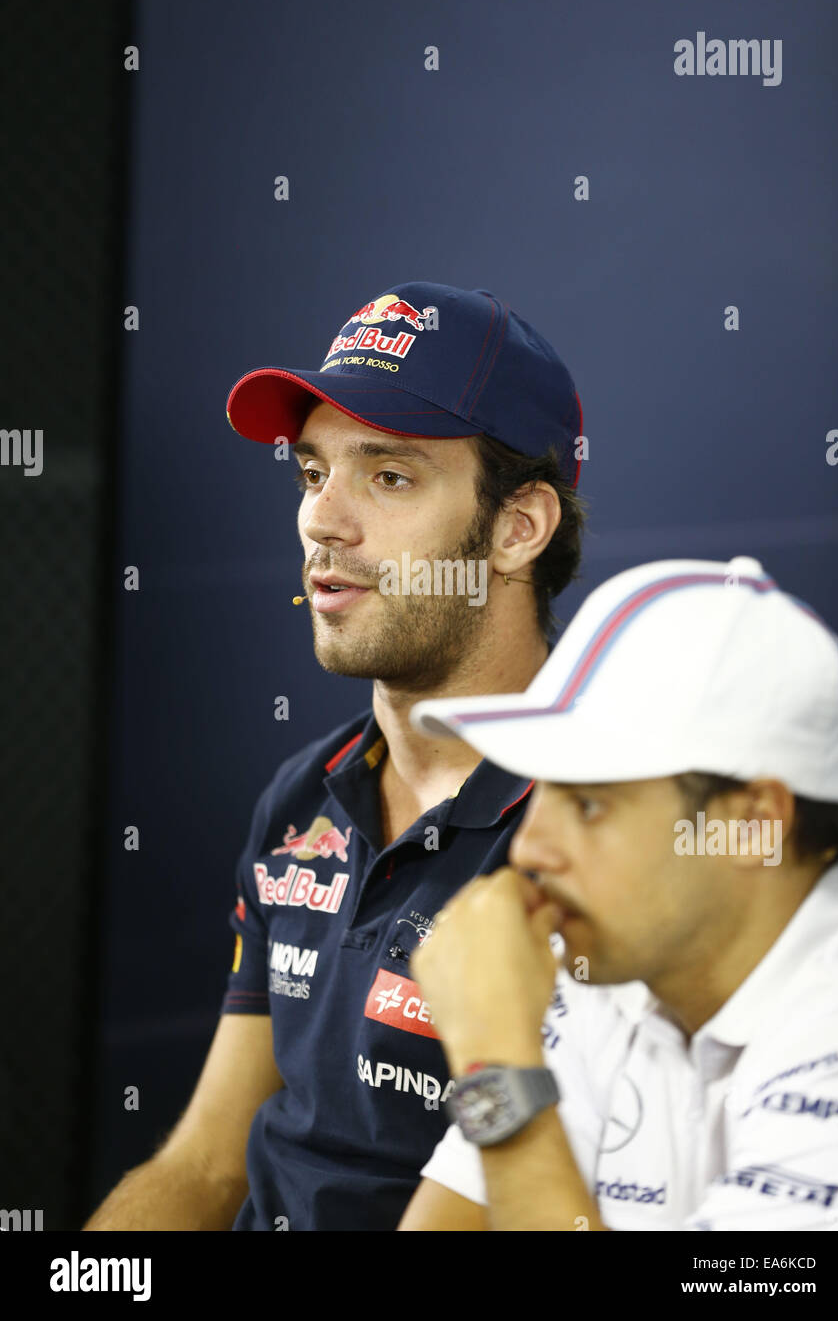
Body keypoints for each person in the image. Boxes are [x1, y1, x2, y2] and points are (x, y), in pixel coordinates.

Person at [83, 280, 586, 1231]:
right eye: (314, 473)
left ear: (518, 529)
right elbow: (199, 1168)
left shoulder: (602, 827)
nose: (323, 521)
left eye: (387, 476)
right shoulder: (304, 796)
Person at [400, 555, 838, 1231]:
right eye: (541, 790)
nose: (529, 849)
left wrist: (497, 1065)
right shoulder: (603, 967)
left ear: (752, 825)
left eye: (589, 804)